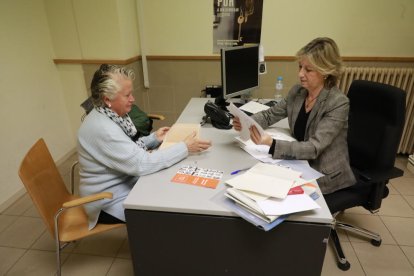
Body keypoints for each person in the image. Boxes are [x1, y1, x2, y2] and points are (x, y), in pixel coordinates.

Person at [78, 64, 212, 230]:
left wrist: (154, 138)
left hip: (123, 181)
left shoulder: (109, 114)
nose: (133, 99)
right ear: (107, 99)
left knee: (169, 186)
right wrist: (185, 148)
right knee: (168, 207)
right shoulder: (103, 128)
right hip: (107, 201)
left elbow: (126, 146)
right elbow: (142, 164)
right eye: (127, 95)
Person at [233, 37, 356, 195]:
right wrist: (247, 122)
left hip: (324, 174)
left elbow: (313, 148)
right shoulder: (298, 92)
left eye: (308, 70)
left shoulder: (338, 103)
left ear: (326, 71)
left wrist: (272, 144)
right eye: (300, 67)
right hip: (299, 162)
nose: (300, 74)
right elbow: (270, 115)